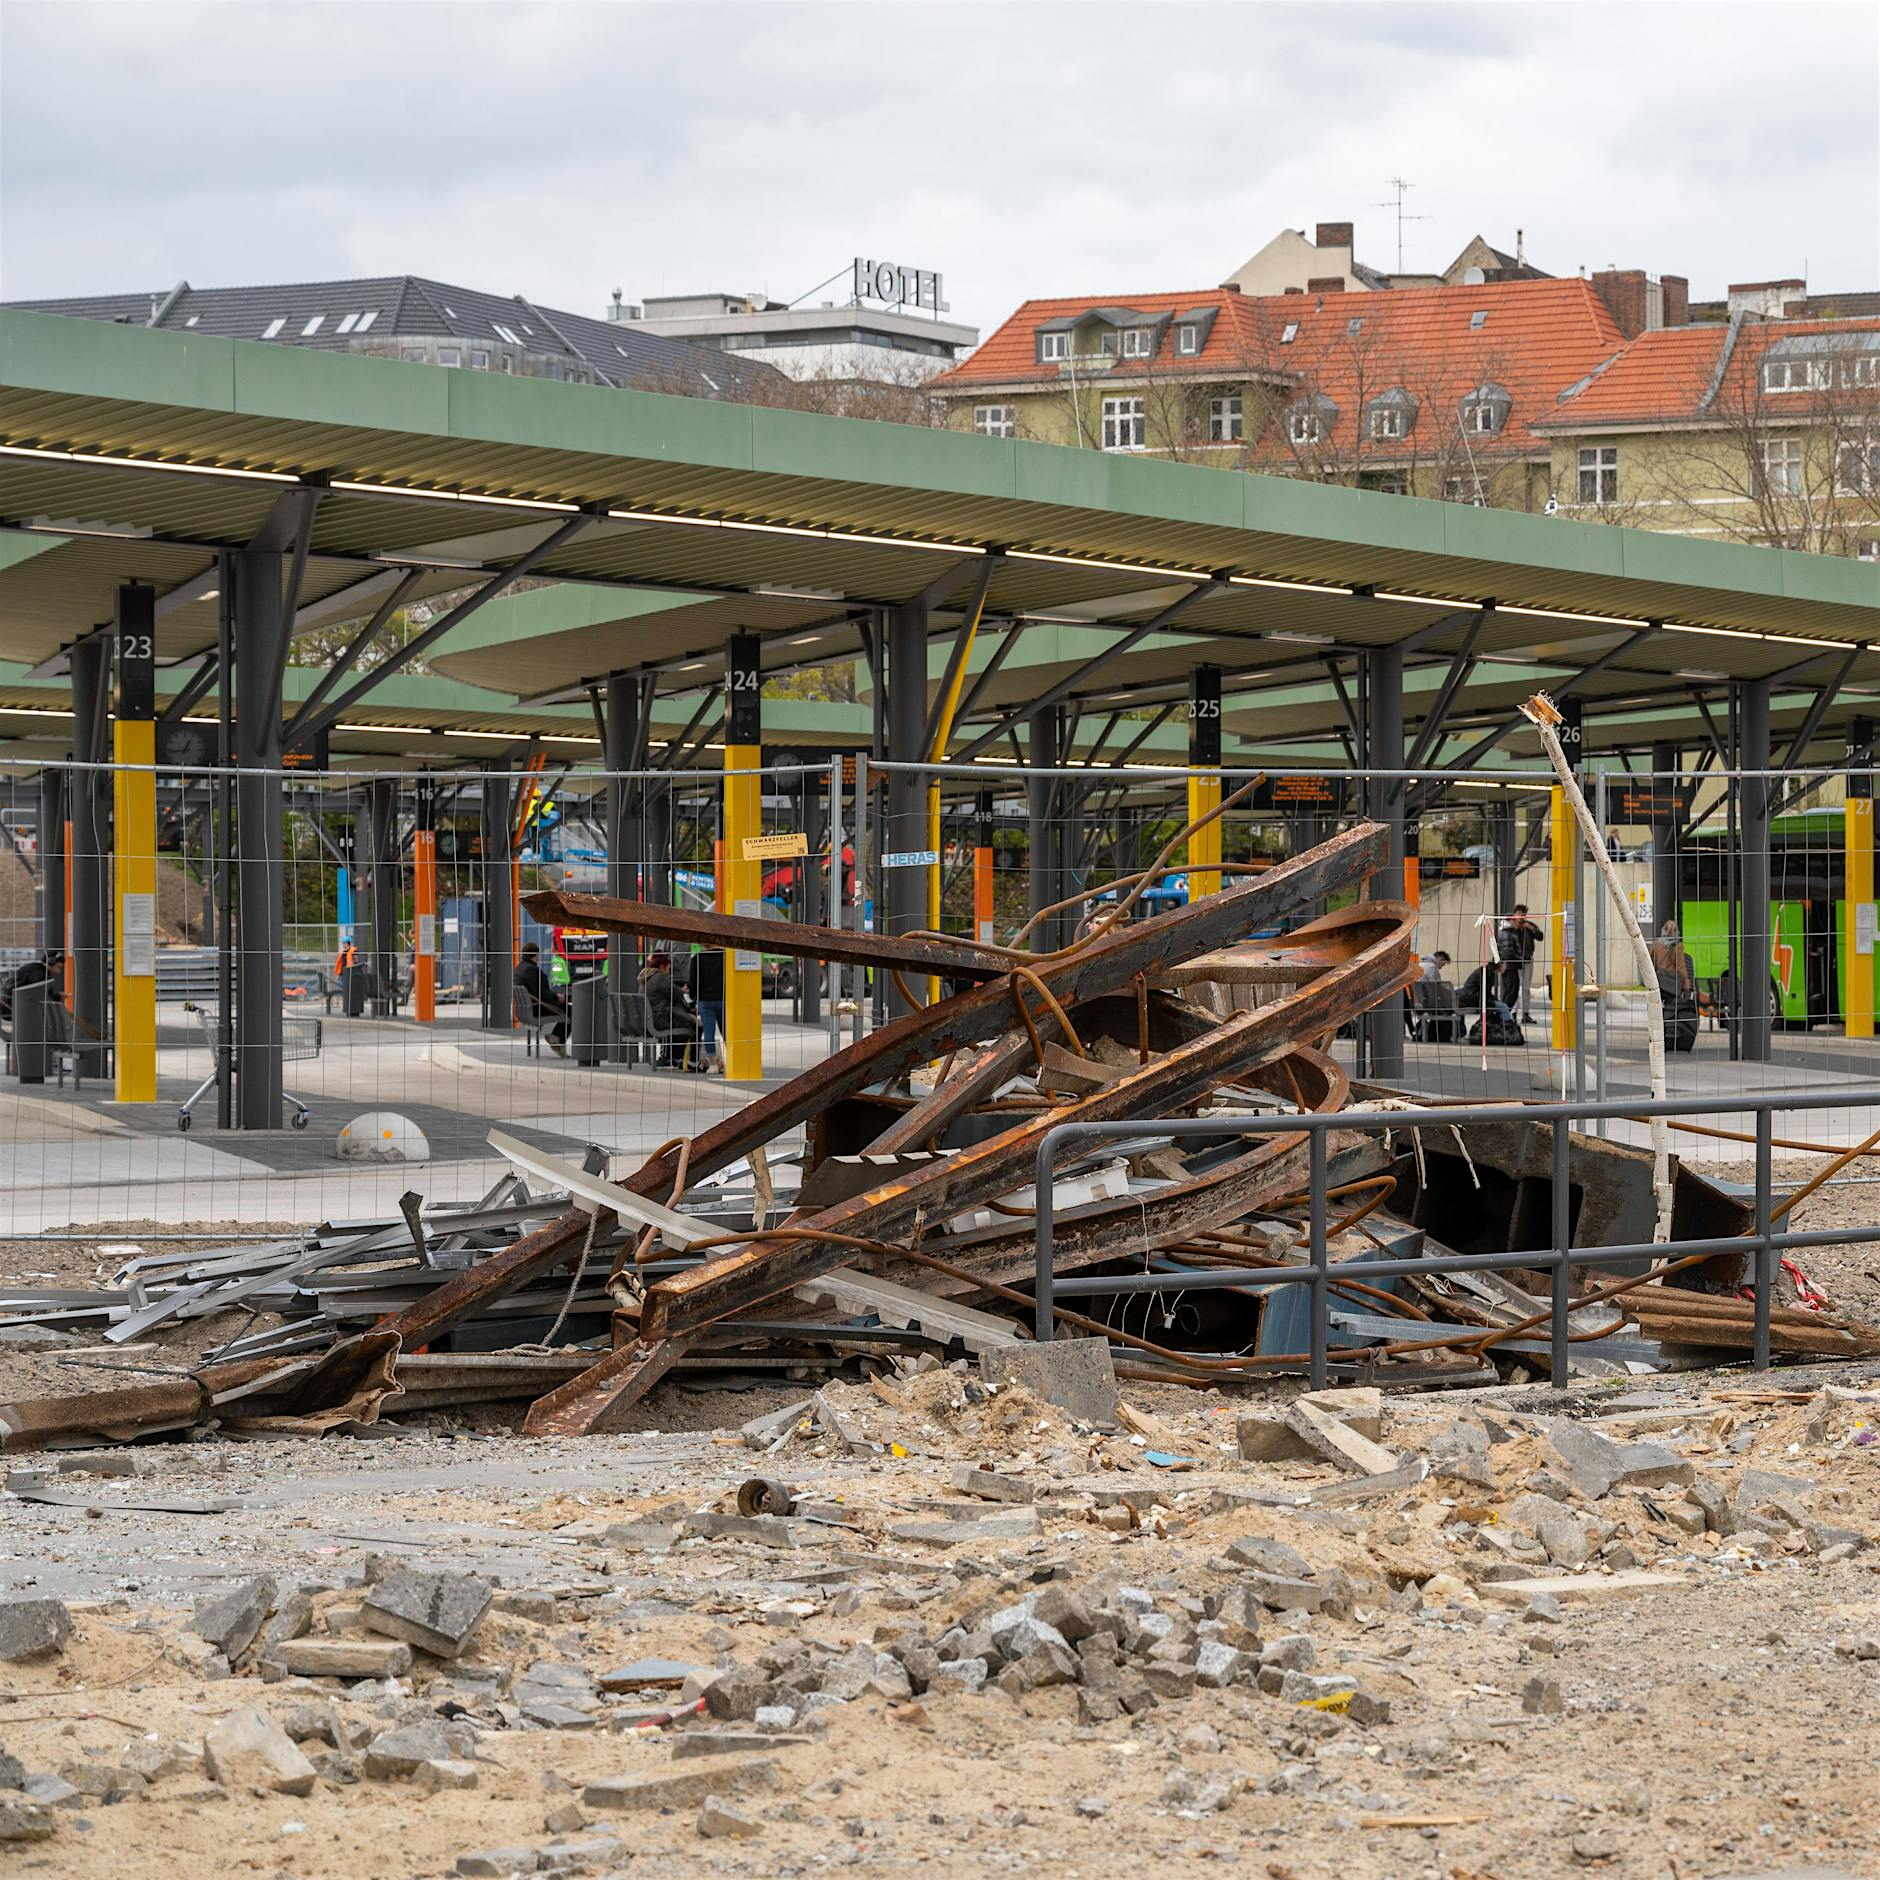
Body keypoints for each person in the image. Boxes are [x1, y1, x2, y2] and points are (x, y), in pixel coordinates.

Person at [643, 950, 700, 1069]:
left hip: (653, 1017)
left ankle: (676, 1057)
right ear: (662, 967)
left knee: (687, 1021)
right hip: (661, 1018)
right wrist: (683, 991)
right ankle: (690, 1062)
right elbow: (677, 995)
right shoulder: (660, 978)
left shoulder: (647, 977)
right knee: (697, 1025)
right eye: (668, 969)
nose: (669, 972)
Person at [515, 941, 569, 1056]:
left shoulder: (519, 968)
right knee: (570, 1011)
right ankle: (557, 1037)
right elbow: (542, 994)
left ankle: (556, 1037)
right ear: (536, 955)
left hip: (526, 1009)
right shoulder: (532, 970)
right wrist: (557, 997)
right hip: (536, 1009)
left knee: (566, 1009)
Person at [1497, 904, 1543, 1021]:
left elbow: (1540, 936)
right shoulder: (1511, 928)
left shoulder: (1528, 926)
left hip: (1527, 960)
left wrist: (1530, 928)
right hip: (1515, 962)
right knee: (1514, 988)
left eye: (1523, 914)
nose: (1520, 917)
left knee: (1526, 988)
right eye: (1518, 914)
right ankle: (1512, 1013)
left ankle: (1525, 1013)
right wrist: (1516, 927)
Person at [685, 946, 725, 1072]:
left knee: (709, 1032)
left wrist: (692, 996)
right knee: (727, 1031)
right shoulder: (726, 956)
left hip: (705, 1000)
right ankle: (733, 1061)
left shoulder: (698, 958)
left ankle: (713, 1064)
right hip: (724, 999)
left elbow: (693, 982)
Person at [0, 949, 62, 1029]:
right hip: (15, 1009)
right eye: (58, 967)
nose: (59, 971)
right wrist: (57, 997)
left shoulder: (34, 968)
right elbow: (41, 996)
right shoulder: (40, 975)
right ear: (50, 962)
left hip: (10, 1006)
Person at [1648, 919, 1695, 999]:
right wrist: (1686, 983)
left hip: (1659, 980)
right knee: (1673, 1005)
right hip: (1672, 982)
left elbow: (1650, 962)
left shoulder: (1656, 943)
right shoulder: (1677, 945)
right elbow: (1681, 966)